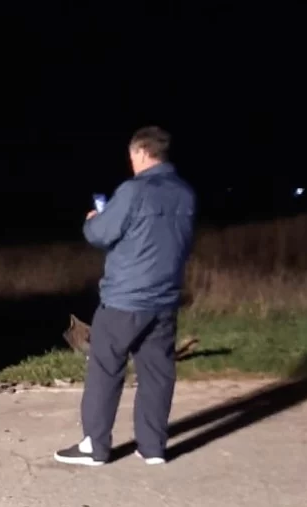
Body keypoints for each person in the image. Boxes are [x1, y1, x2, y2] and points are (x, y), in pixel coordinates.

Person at [54, 125, 196, 467]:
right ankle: (152, 447)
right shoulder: (186, 194)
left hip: (125, 300)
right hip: (164, 300)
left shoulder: (134, 191)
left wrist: (93, 219)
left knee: (105, 369)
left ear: (142, 152)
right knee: (157, 373)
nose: (131, 163)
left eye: (132, 156)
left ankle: (95, 446)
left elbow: (101, 234)